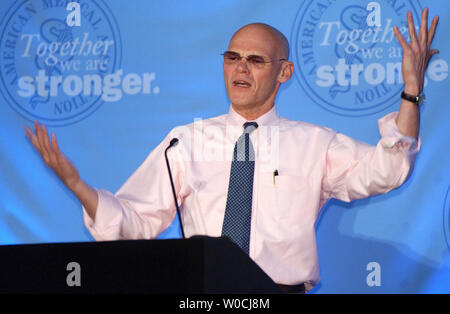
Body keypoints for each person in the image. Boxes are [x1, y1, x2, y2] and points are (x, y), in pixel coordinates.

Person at [25, 8, 439, 293]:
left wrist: (412, 92)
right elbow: (133, 223)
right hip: (201, 296)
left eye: (256, 60)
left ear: (284, 72)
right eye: (232, 57)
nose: (240, 68)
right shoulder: (184, 140)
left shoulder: (315, 142)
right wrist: (79, 186)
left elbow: (388, 169)